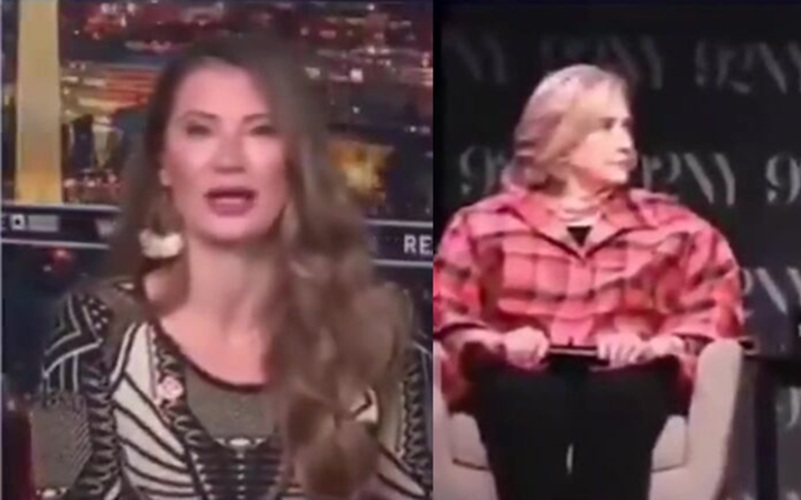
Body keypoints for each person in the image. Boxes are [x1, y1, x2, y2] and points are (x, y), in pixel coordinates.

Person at [30, 32, 430, 500]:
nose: (229, 160)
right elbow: (59, 486)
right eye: (200, 130)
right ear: (163, 162)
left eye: (261, 130)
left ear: (295, 160)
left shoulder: (384, 334)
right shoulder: (86, 330)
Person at [433, 64, 744, 500]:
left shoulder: (676, 228)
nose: (626, 143)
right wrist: (496, 342)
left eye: (626, 126)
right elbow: (443, 311)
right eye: (606, 127)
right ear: (560, 139)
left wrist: (659, 345)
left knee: (622, 396)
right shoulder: (482, 225)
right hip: (521, 376)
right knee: (523, 397)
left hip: (628, 377)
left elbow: (715, 309)